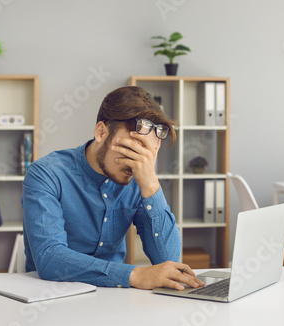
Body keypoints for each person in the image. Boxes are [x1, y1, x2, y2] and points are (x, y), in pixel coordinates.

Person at [22, 86, 204, 290]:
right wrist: (134, 274)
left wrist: (152, 186)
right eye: (131, 149)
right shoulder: (46, 173)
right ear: (101, 132)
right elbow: (50, 259)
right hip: (51, 295)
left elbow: (168, 260)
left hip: (114, 297)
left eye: (147, 154)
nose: (136, 162)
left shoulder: (140, 178)